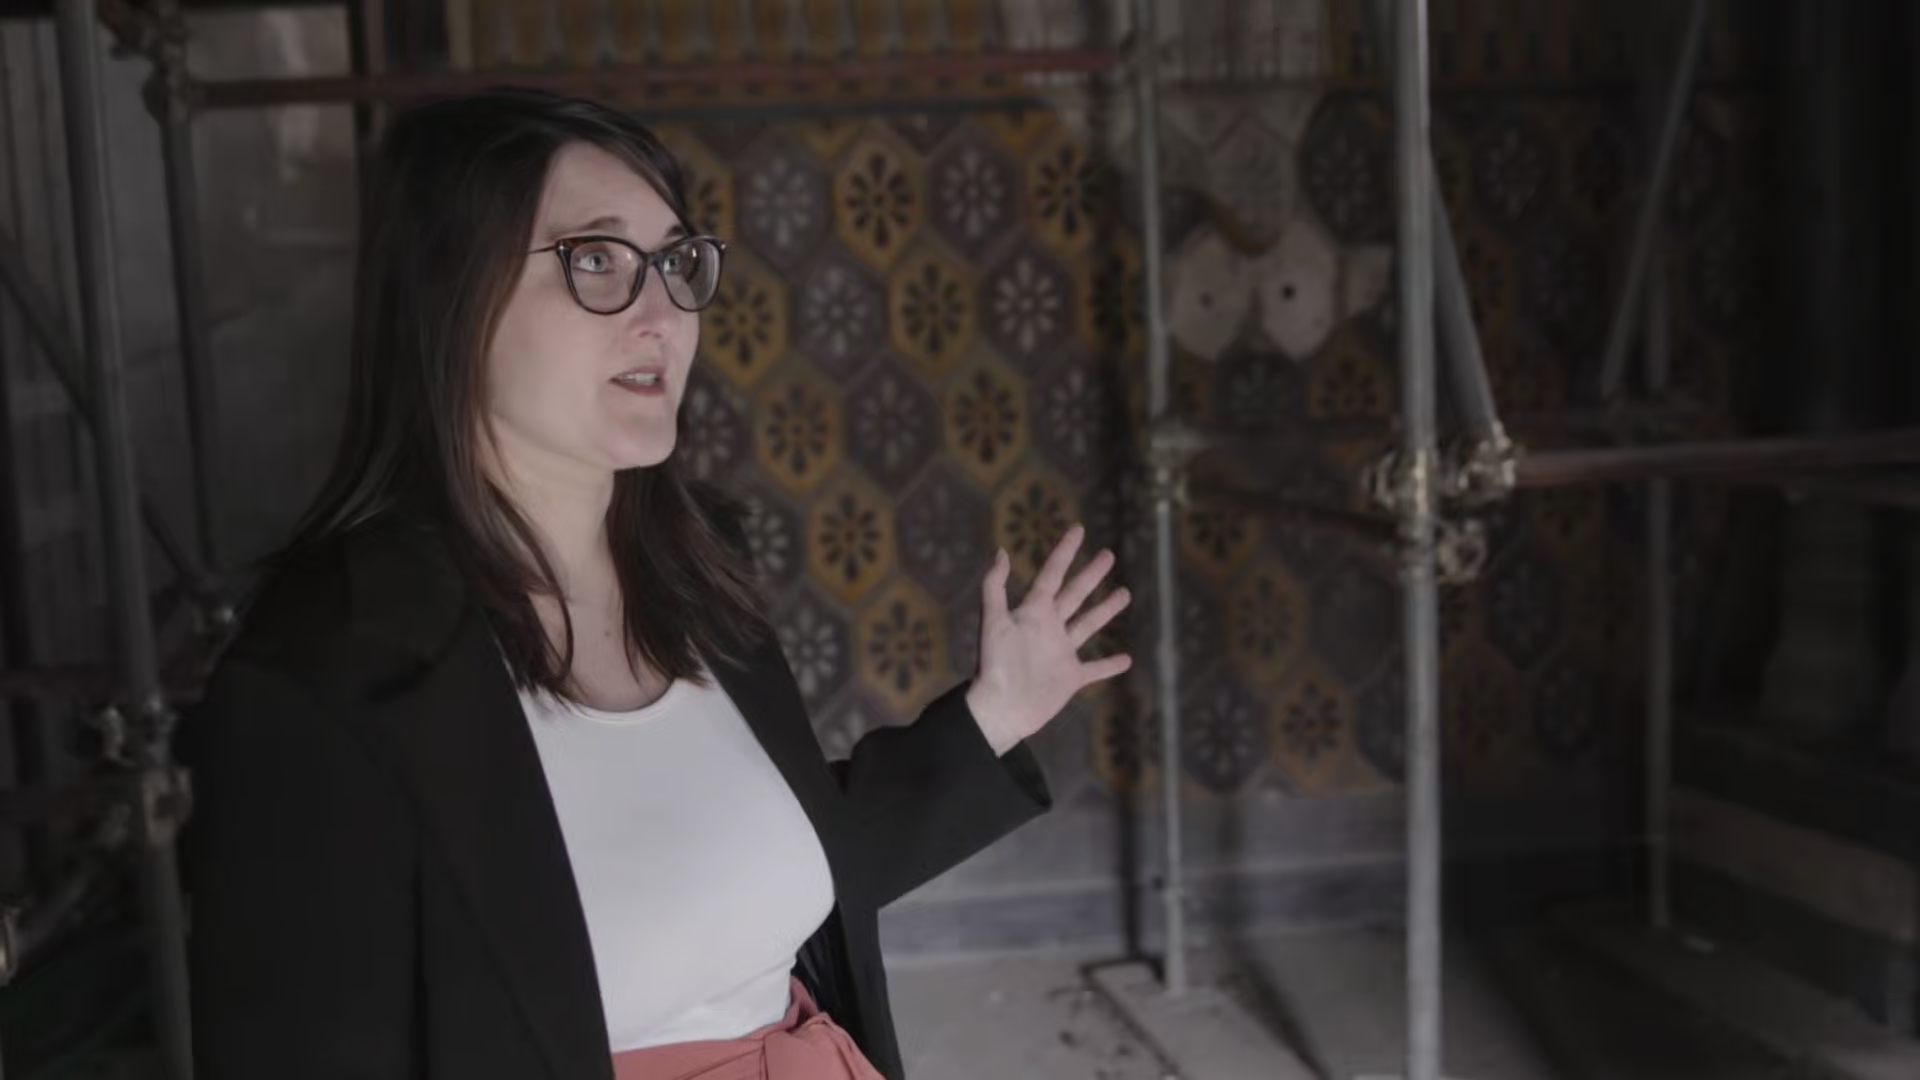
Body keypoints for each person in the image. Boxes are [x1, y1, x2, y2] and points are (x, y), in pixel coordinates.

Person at [180, 87, 1133, 1080]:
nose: (663, 313)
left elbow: (750, 881)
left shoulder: (693, 571)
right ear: (449, 294)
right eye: (596, 259)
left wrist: (990, 717)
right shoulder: (323, 677)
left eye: (676, 264)